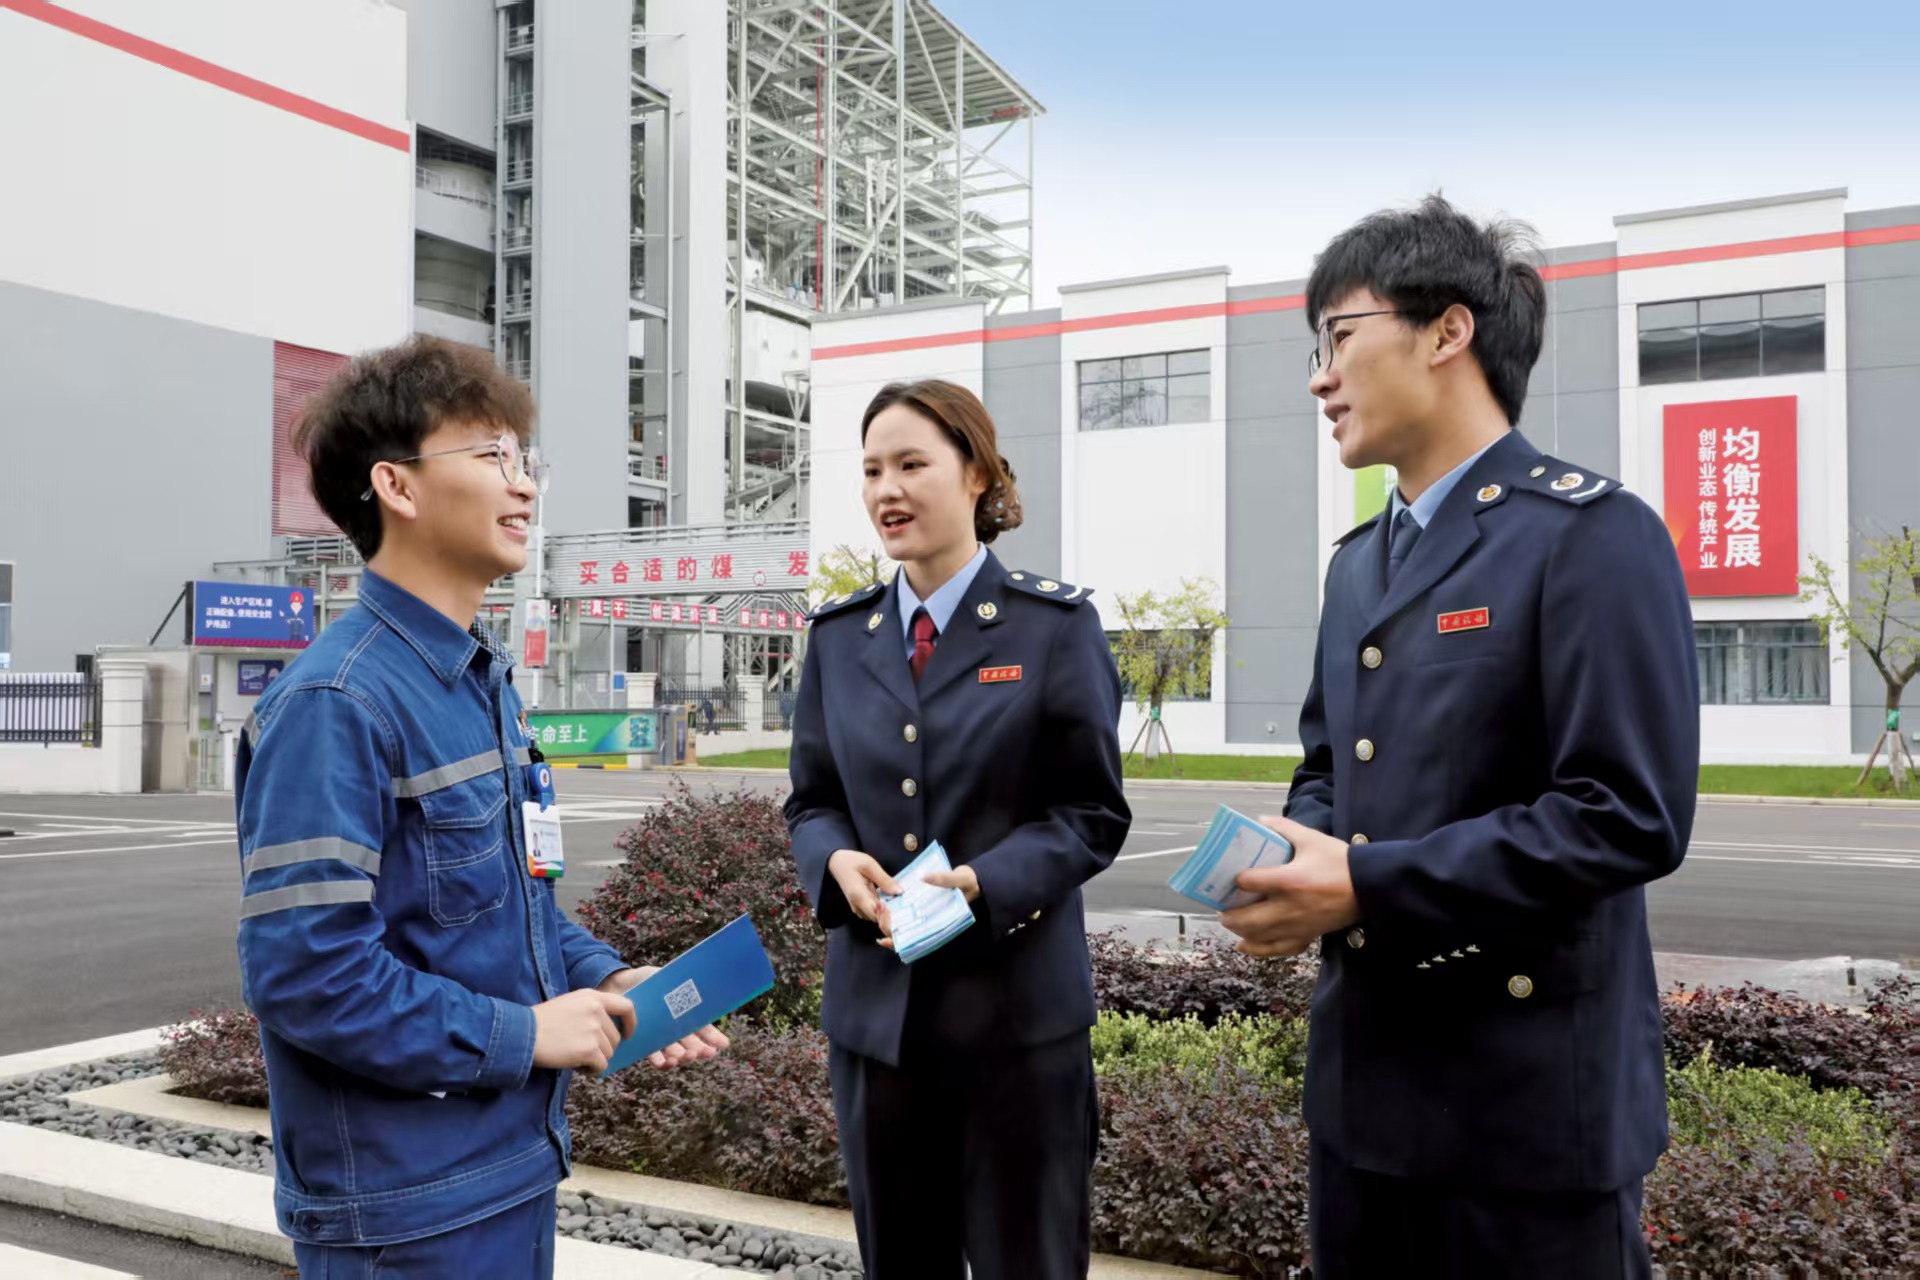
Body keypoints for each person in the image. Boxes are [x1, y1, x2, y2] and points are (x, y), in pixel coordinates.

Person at [1218, 196, 1698, 1279]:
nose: (1319, 378)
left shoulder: (1589, 535)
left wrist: (1367, 882)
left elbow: (1626, 815)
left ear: (1447, 331)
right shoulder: (1358, 564)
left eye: (1339, 337)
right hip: (1364, 1103)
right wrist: (1294, 857)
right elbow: (1330, 765)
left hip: (1525, 1117)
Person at [234, 335, 727, 1277]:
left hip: (508, 1172)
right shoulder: (337, 701)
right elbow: (306, 975)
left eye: (524, 458)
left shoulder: (478, 682)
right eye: (492, 455)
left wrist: (608, 978)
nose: (524, 485)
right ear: (397, 486)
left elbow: (507, 908)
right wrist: (528, 1034)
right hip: (406, 1214)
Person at [786, 379, 1131, 1279]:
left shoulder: (1054, 628)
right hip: (878, 1029)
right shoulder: (839, 638)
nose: (887, 490)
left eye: (911, 464)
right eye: (872, 470)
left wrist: (988, 881)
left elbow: (1091, 813)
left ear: (977, 474)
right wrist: (834, 861)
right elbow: (811, 800)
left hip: (1018, 1027)